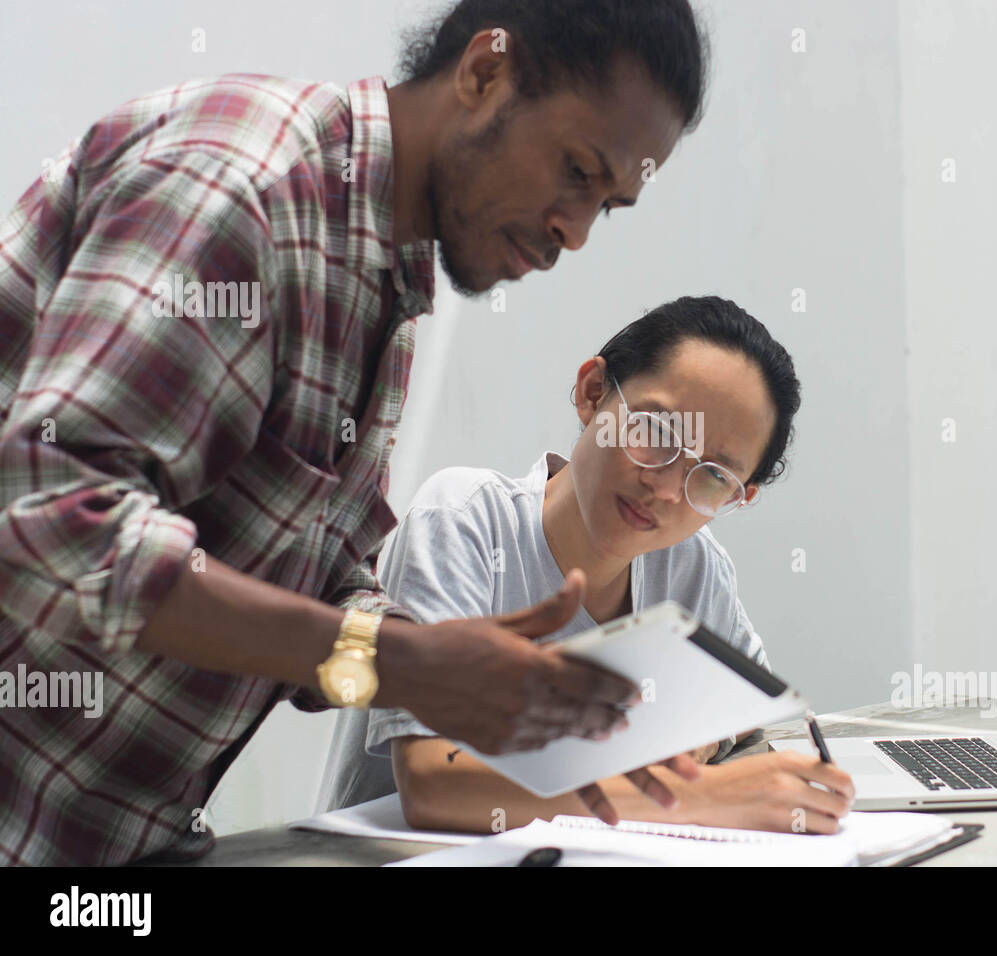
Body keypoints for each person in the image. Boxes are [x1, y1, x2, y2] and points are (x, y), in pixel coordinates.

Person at [0, 0, 711, 865]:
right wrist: (397, 662)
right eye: (574, 171)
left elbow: (303, 569)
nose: (577, 231)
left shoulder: (384, 283)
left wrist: (431, 658)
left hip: (117, 844)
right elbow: (46, 527)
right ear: (485, 74)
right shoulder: (246, 186)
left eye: (610, 203)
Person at [321, 297, 856, 834]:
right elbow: (435, 786)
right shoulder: (463, 518)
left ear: (741, 496)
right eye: (657, 433)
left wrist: (703, 738)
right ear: (593, 393)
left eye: (714, 476)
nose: (667, 488)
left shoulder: (694, 566)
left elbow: (743, 713)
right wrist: (706, 794)